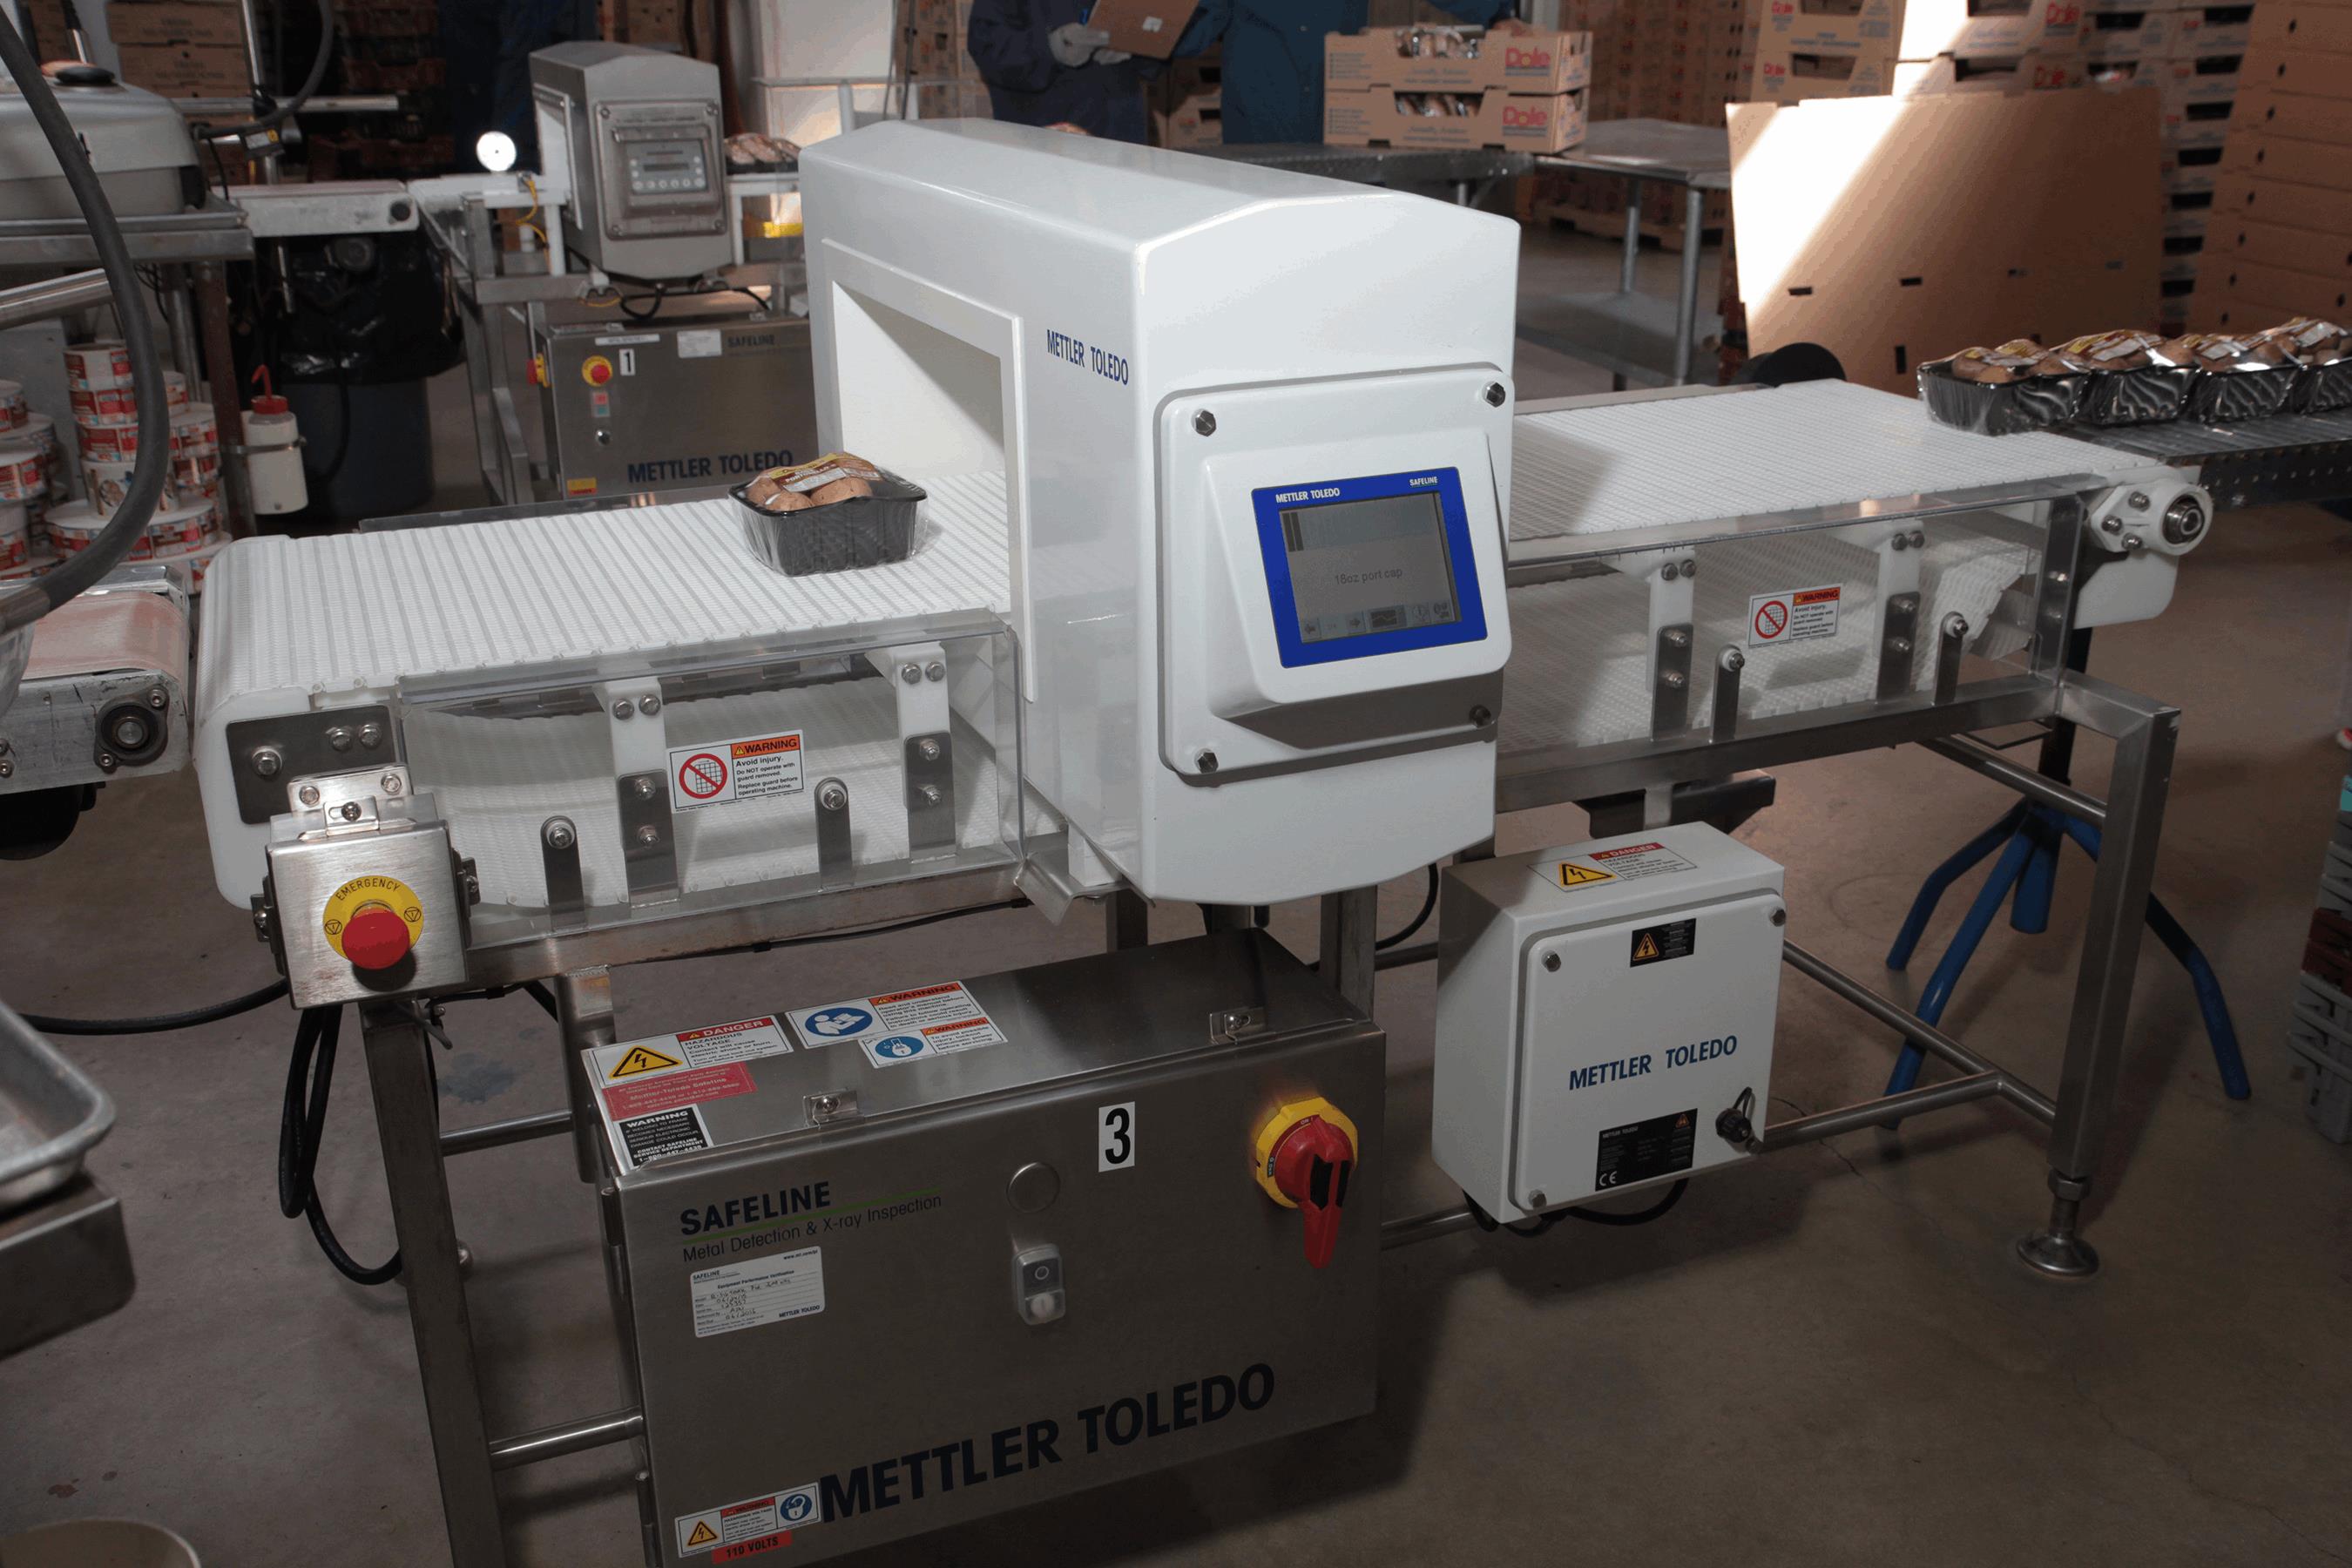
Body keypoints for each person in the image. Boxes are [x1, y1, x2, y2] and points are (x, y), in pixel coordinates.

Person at [1191, 0, 1527, 145]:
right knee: (1263, 230)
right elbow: (1199, 16)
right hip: (1261, 103)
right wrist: (1163, 34)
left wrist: (1496, 13)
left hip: (1341, 99)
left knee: (1345, 228)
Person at [966, 0, 1221, 144]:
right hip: (1045, 136)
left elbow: (1168, 23)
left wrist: (1139, 47)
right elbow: (986, 45)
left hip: (1120, 129)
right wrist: (1051, 47)